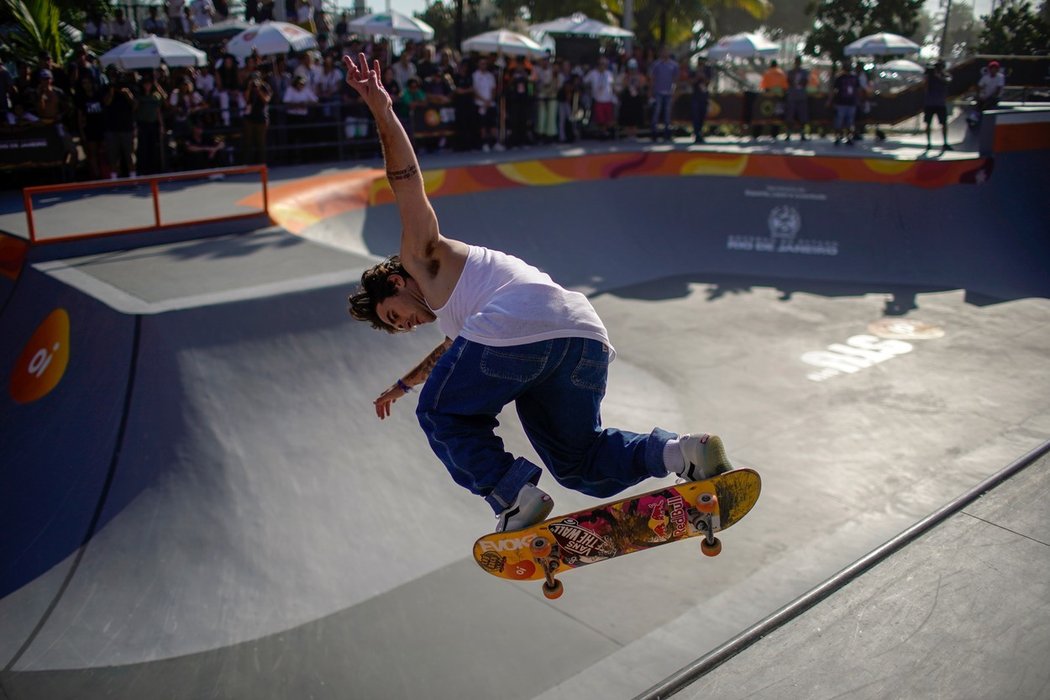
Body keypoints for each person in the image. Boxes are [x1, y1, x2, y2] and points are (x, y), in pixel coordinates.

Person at [341, 55, 735, 533]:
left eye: (394, 313)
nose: (403, 324)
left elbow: (406, 182)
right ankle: (683, 451)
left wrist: (382, 109)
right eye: (396, 327)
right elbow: (448, 358)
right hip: (582, 333)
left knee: (441, 412)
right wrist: (402, 386)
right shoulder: (465, 311)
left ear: (397, 282)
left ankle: (511, 496)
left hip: (519, 326)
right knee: (579, 462)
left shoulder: (421, 256)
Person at [241, 71, 271, 164]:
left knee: (261, 144)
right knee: (248, 143)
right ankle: (247, 164)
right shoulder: (248, 87)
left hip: (261, 118)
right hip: (249, 118)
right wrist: (250, 88)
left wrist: (258, 90)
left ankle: (262, 165)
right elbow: (245, 99)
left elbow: (266, 100)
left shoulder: (265, 87)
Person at [648, 47, 677, 142]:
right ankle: (654, 132)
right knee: (656, 111)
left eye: (666, 51)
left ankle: (667, 133)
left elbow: (675, 80)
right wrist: (650, 91)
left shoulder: (673, 65)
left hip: (669, 92)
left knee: (667, 113)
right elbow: (652, 78)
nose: (665, 53)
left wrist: (675, 91)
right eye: (663, 52)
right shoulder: (656, 65)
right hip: (658, 92)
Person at [583, 56, 616, 139]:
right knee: (600, 120)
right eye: (601, 64)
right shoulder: (593, 73)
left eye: (605, 64)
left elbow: (612, 85)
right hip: (598, 100)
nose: (603, 66)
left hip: (608, 99)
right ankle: (602, 133)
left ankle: (608, 133)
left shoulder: (609, 74)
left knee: (609, 119)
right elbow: (584, 81)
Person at [828, 61, 859, 146]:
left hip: (842, 102)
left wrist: (830, 101)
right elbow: (857, 90)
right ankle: (847, 137)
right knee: (849, 121)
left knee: (840, 120)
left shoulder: (840, 78)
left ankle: (839, 137)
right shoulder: (853, 78)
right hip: (850, 102)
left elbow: (834, 90)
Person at [923, 60, 951, 152]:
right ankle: (928, 143)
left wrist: (938, 76)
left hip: (940, 103)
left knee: (944, 123)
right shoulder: (930, 77)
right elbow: (925, 87)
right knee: (928, 123)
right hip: (930, 103)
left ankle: (945, 143)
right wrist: (929, 76)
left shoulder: (945, 75)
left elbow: (948, 81)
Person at [617, 58, 647, 139]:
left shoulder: (640, 76)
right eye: (631, 69)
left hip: (636, 99)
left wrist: (638, 83)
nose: (632, 71)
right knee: (627, 116)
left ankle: (634, 134)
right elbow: (623, 86)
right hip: (628, 99)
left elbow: (643, 85)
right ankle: (628, 134)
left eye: (633, 69)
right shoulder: (625, 77)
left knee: (636, 115)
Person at [783, 56, 809, 141]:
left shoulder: (804, 72)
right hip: (792, 96)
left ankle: (802, 133)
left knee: (802, 115)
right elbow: (788, 81)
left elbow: (805, 82)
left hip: (801, 96)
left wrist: (800, 85)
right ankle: (788, 133)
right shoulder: (790, 72)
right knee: (790, 115)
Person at [690, 57, 711, 144]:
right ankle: (696, 134)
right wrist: (697, 77)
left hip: (704, 97)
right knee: (696, 116)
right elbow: (691, 82)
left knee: (702, 116)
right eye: (700, 63)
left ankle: (700, 133)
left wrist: (703, 76)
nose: (701, 65)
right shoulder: (694, 71)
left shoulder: (707, 71)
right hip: (695, 96)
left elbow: (708, 82)